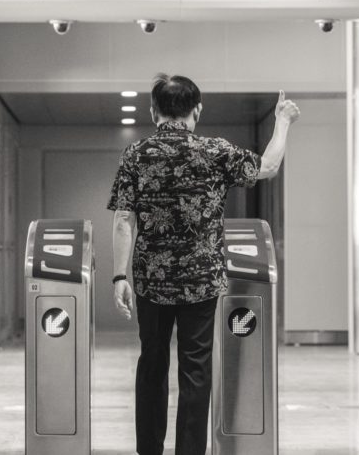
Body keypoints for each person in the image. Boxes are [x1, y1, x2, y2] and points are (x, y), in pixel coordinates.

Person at [107, 74, 300, 455]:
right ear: (197, 109)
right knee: (195, 370)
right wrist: (282, 122)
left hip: (152, 282)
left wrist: (118, 276)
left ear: (152, 111)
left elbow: (123, 220)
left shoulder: (136, 153)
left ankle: (149, 450)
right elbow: (268, 166)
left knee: (152, 366)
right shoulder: (214, 151)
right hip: (201, 282)